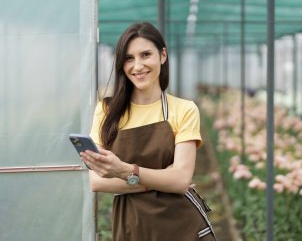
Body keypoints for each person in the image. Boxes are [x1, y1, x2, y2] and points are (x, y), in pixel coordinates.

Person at [80, 22, 216, 241]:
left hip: (182, 227)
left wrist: (124, 170)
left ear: (162, 55)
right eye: (129, 58)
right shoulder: (106, 111)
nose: (138, 65)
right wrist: (162, 180)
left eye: (145, 55)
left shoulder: (184, 109)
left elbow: (181, 180)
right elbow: (98, 182)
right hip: (131, 227)